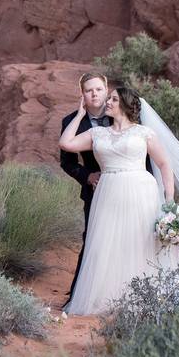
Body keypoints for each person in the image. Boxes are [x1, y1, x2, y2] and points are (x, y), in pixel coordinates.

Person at [59, 86, 179, 315]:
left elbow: (165, 164)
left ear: (126, 105)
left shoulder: (143, 133)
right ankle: (112, 298)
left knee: (140, 242)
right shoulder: (97, 134)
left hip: (141, 191)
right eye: (108, 98)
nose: (107, 102)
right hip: (108, 193)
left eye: (113, 99)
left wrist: (169, 202)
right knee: (107, 244)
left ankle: (147, 296)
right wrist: (80, 114)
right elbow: (66, 144)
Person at [58, 72, 110, 308]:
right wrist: (87, 176)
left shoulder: (123, 114)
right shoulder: (71, 121)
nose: (94, 94)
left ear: (106, 89)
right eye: (89, 90)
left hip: (130, 187)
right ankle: (79, 296)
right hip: (95, 190)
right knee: (92, 239)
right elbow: (67, 163)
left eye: (98, 89)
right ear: (82, 94)